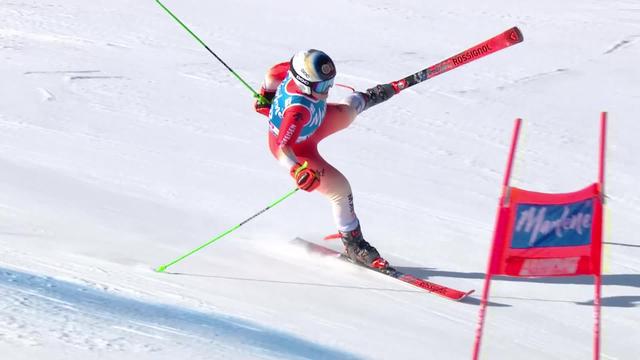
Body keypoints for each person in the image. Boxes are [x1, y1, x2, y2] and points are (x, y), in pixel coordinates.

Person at [254, 49, 396, 269]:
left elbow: (273, 73)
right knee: (340, 189)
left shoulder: (293, 70)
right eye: (321, 87)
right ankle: (354, 244)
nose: (327, 91)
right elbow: (283, 147)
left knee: (348, 113)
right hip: (299, 149)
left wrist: (266, 95)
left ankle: (371, 95)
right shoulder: (298, 111)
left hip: (315, 123)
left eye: (329, 84)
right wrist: (297, 170)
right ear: (303, 82)